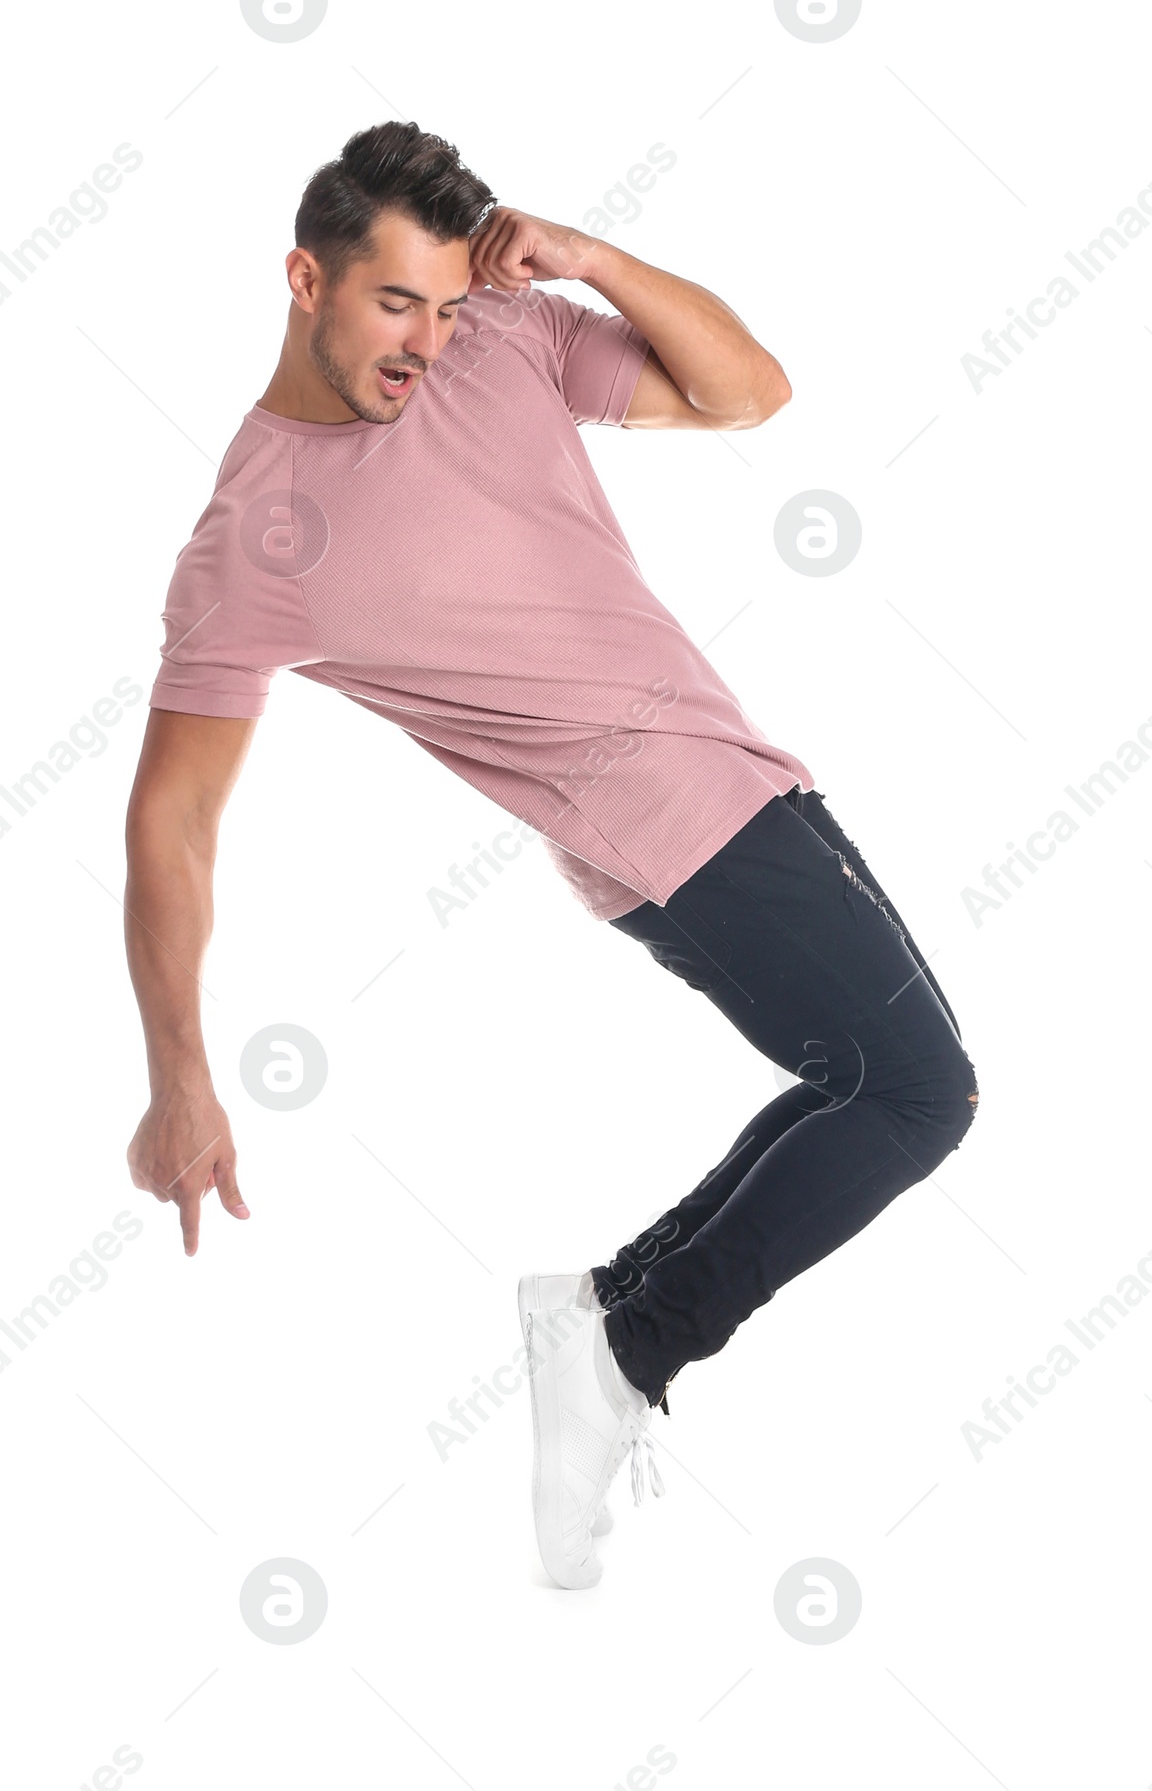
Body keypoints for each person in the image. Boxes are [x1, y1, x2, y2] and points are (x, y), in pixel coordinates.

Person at [122, 121, 979, 1591]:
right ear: (302, 279)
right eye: (396, 304)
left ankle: (603, 1319)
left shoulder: (500, 342)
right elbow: (172, 821)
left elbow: (747, 393)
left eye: (449, 304)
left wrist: (587, 257)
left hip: (730, 787)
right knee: (918, 1094)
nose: (427, 343)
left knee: (865, 1085)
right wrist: (180, 1075)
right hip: (674, 829)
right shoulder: (250, 545)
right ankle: (625, 1344)